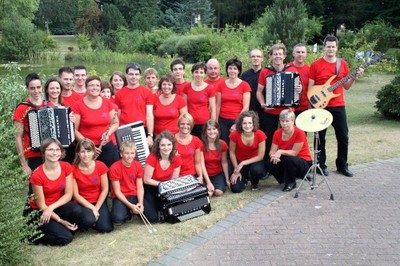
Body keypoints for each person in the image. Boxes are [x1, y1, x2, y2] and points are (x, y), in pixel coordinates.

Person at [308, 35, 364, 177]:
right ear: (324, 47)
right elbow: (310, 87)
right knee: (320, 136)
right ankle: (321, 165)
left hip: (338, 105)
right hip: (321, 105)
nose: (331, 49)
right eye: (328, 46)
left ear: (336, 48)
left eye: (333, 46)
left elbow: (347, 86)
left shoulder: (342, 64)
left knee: (343, 136)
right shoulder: (316, 65)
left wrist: (354, 77)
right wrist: (312, 106)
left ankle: (342, 165)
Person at [25, 138, 80, 245]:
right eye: (50, 150)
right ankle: (31, 235)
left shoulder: (66, 167)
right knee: (66, 238)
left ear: (61, 152)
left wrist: (51, 208)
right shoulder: (37, 175)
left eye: (57, 149)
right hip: (40, 211)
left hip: (53, 207)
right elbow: (40, 204)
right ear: (43, 152)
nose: (54, 153)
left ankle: (57, 227)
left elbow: (69, 195)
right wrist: (60, 221)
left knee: (76, 210)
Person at [256, 43, 302, 159]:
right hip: (270, 111)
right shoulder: (265, 71)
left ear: (284, 56)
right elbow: (259, 91)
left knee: (289, 137)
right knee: (269, 137)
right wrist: (262, 104)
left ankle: (288, 161)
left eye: (280, 54)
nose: (278, 57)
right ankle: (269, 162)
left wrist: (299, 89)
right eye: (275, 54)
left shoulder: (292, 70)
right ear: (270, 56)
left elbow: (298, 91)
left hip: (287, 111)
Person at [72, 75, 119, 168]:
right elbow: (74, 129)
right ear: (86, 87)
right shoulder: (78, 105)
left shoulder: (107, 102)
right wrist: (89, 146)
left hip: (106, 145)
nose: (95, 88)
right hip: (87, 150)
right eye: (91, 85)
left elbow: (116, 122)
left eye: (97, 85)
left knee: (112, 173)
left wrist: (108, 133)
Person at [72, 138, 113, 233]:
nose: (86, 155)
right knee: (88, 221)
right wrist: (92, 208)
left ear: (93, 152)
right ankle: (86, 220)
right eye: (82, 151)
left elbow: (105, 189)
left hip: (98, 201)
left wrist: (97, 208)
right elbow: (75, 195)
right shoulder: (73, 169)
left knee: (106, 228)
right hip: (83, 203)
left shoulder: (100, 166)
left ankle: (95, 220)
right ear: (78, 153)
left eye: (88, 151)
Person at [267, 109, 312, 192]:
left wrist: (280, 151)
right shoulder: (277, 133)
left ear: (292, 121)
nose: (284, 124)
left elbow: (294, 153)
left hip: (303, 161)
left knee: (288, 159)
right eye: (282, 121)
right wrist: (273, 156)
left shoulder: (300, 132)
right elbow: (272, 151)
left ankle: (291, 182)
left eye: (287, 121)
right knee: (270, 163)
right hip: (287, 159)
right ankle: (283, 180)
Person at [14, 73, 49, 176]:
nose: (36, 91)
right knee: (34, 187)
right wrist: (24, 164)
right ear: (27, 89)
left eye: (38, 87)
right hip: (32, 153)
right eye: (32, 88)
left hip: (51, 152)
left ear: (42, 87)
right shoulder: (22, 108)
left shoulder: (48, 104)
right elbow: (18, 137)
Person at [143, 131, 182, 222]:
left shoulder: (177, 158)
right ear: (158, 146)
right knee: (153, 218)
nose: (166, 148)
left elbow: (174, 179)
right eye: (163, 145)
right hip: (151, 187)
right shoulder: (152, 157)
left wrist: (168, 188)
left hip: (166, 188)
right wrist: (163, 184)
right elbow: (146, 180)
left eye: (169, 145)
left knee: (172, 213)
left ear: (173, 145)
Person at [114, 63, 154, 147]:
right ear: (126, 75)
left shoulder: (146, 92)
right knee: (126, 156)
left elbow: (149, 115)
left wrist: (150, 135)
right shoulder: (119, 94)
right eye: (131, 74)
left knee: (142, 157)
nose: (134, 77)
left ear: (140, 76)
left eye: (136, 74)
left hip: (141, 129)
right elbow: (118, 115)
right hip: (124, 130)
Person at [229, 111, 266, 193]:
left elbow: (260, 156)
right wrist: (236, 169)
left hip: (255, 161)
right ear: (240, 124)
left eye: (250, 123)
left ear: (254, 124)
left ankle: (254, 182)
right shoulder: (235, 134)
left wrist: (243, 163)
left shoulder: (260, 134)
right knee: (236, 189)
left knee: (257, 170)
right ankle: (245, 178)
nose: (247, 126)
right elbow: (231, 152)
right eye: (244, 123)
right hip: (239, 162)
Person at [217, 57, 251, 144]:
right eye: (230, 68)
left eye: (235, 68)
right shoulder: (221, 85)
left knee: (236, 144)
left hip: (238, 120)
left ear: (239, 71)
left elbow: (246, 107)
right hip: (222, 120)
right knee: (224, 144)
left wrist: (237, 124)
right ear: (227, 70)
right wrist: (216, 122)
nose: (232, 71)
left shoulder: (245, 85)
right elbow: (218, 105)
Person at [109, 141, 144, 225]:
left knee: (151, 217)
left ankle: (130, 211)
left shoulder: (138, 165)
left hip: (134, 195)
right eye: (127, 153)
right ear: (121, 154)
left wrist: (140, 203)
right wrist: (130, 206)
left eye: (132, 153)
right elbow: (117, 192)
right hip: (121, 196)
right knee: (117, 219)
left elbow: (140, 187)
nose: (130, 156)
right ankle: (129, 211)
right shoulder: (114, 168)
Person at [182, 62, 216, 138]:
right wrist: (185, 122)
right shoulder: (187, 87)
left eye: (201, 72)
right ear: (192, 73)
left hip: (204, 123)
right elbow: (184, 107)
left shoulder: (209, 88)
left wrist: (212, 124)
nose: (199, 75)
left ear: (205, 74)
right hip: (190, 123)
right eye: (196, 72)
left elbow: (213, 108)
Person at [201, 119, 229, 196]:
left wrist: (227, 179)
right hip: (205, 174)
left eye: (214, 129)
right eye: (209, 129)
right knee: (209, 194)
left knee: (218, 192)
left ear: (218, 130)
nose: (212, 131)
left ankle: (218, 184)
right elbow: (202, 165)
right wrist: (208, 182)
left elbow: (224, 162)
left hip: (217, 173)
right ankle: (209, 186)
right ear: (205, 132)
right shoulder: (201, 145)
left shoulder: (222, 144)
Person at [174, 113, 204, 182]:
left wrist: (200, 176)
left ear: (191, 126)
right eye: (182, 124)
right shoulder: (171, 140)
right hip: (177, 177)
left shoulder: (196, 140)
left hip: (192, 176)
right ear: (178, 124)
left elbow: (198, 163)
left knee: (207, 192)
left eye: (188, 124)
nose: (185, 126)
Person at [241, 49, 264, 115]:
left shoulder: (266, 74)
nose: (255, 58)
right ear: (250, 59)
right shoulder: (244, 75)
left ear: (262, 59)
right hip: (249, 110)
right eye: (253, 56)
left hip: (263, 110)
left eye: (258, 56)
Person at [289, 43, 310, 115]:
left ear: (306, 54)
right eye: (298, 52)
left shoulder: (310, 70)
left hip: (305, 107)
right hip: (290, 108)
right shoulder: (287, 68)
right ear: (293, 53)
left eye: (303, 52)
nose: (300, 54)